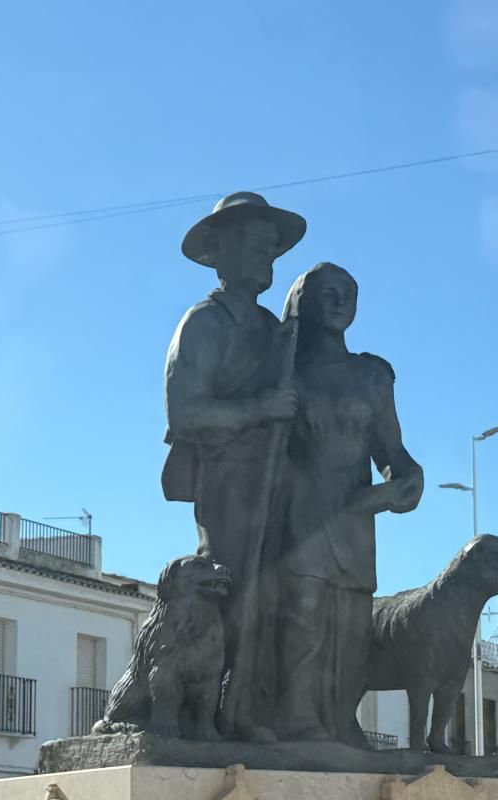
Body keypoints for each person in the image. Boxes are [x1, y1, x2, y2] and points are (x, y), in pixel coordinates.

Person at [162, 192, 306, 742]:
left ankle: (257, 705)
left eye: (271, 248)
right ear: (221, 253)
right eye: (254, 245)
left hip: (277, 478)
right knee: (231, 586)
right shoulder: (203, 323)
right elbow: (185, 412)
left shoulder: (274, 330)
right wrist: (258, 409)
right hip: (226, 478)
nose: (267, 257)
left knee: (273, 593)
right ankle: (215, 708)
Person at [276, 263, 423, 744]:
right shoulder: (283, 371)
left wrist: (408, 480)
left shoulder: (373, 376)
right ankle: (297, 718)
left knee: (353, 630)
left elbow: (393, 453)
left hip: (358, 518)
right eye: (328, 293)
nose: (340, 302)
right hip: (301, 516)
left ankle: (341, 721)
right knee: (303, 618)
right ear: (303, 302)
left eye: (349, 294)